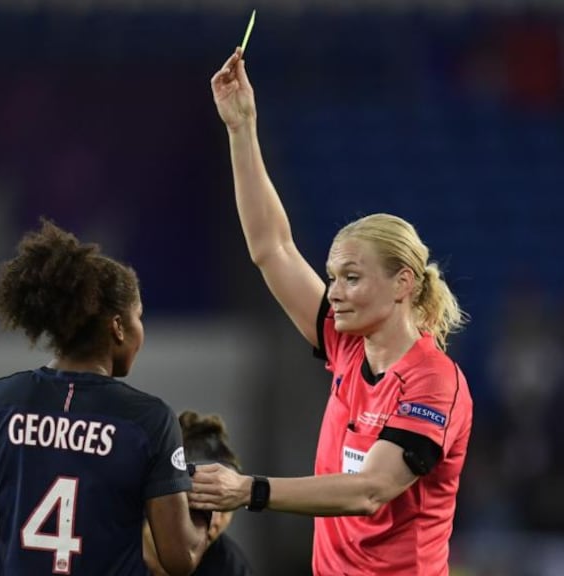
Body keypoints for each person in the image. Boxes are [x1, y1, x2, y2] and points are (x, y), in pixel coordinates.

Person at [188, 48, 474, 575]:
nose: (334, 291)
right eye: (332, 276)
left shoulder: (433, 383)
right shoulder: (347, 345)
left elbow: (370, 489)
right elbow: (271, 248)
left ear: (402, 285)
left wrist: (248, 490)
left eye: (352, 277)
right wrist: (241, 128)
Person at [0, 219, 208, 576]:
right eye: (139, 317)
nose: (141, 331)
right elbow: (179, 560)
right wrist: (204, 516)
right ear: (118, 326)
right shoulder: (148, 421)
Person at [142, 411, 253, 576]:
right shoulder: (110, 543)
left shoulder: (229, 567)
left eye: (225, 506)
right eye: (202, 497)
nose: (214, 520)